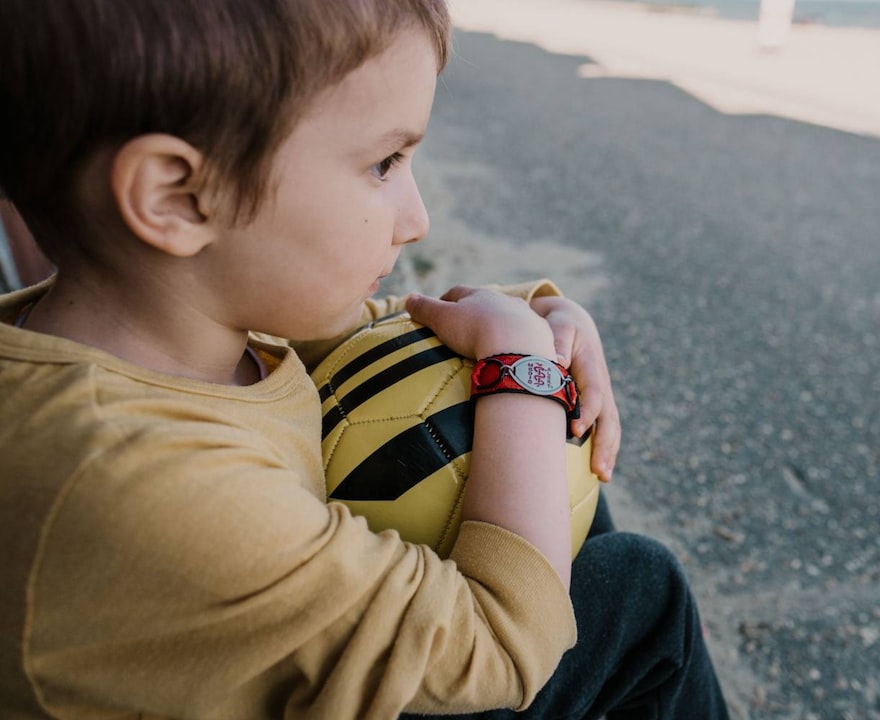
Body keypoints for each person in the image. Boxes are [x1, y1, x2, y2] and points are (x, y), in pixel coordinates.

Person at [0, 1, 730, 718]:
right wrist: (520, 367)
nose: (417, 221)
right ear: (178, 197)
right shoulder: (146, 481)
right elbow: (503, 645)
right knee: (640, 590)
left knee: (521, 447)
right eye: (384, 163)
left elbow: (379, 330)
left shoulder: (156, 328)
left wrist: (539, 317)